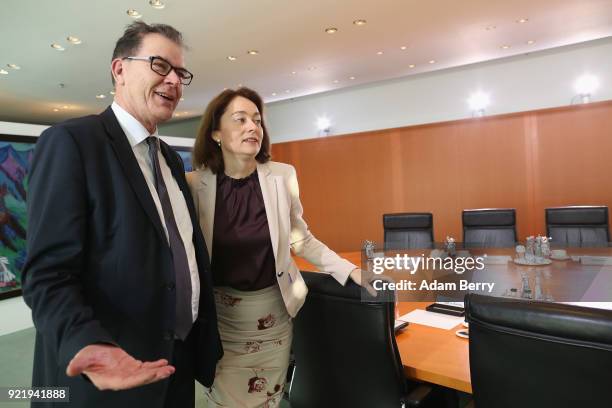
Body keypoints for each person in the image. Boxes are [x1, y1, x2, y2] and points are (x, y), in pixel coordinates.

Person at [21, 21, 222, 408]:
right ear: (120, 69)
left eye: (181, 73)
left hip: (172, 365)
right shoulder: (72, 143)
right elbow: (48, 273)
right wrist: (87, 342)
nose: (174, 82)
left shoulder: (169, 160)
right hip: (107, 376)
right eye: (160, 65)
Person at [186, 87, 374, 407]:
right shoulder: (194, 185)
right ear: (216, 132)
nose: (252, 127)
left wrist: (352, 271)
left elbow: (300, 238)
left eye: (257, 120)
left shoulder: (282, 176)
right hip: (221, 321)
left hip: (273, 315)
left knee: (267, 398)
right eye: (240, 119)